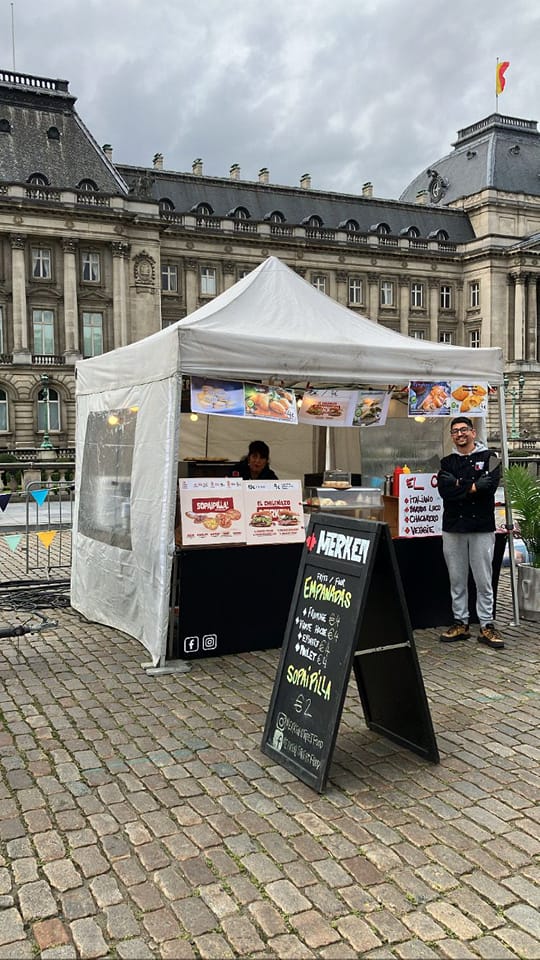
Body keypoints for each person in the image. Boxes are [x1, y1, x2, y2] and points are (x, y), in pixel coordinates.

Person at [437, 416, 504, 649]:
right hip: (453, 527)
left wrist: (459, 484)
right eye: (455, 431)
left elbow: (489, 487)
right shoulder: (447, 462)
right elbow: (445, 492)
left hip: (481, 527)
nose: (459, 434)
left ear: (473, 432)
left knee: (483, 579)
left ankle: (486, 624)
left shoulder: (491, 458)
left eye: (463, 429)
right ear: (452, 436)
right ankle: (461, 622)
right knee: (456, 578)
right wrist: (473, 486)